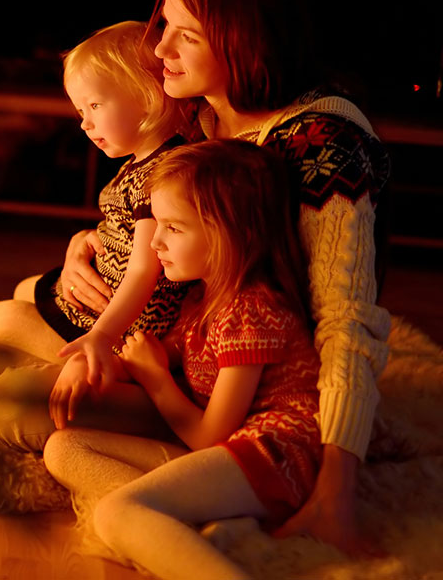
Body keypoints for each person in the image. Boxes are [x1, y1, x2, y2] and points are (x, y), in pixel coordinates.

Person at [34, 0, 391, 553]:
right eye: (164, 24)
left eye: (185, 36)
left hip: (258, 389)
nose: (160, 49)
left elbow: (346, 320)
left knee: (23, 407)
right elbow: (137, 213)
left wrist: (336, 485)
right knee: (10, 392)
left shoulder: (322, 143)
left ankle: (201, 502)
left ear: (242, 40)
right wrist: (81, 248)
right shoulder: (193, 116)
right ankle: (196, 505)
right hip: (183, 355)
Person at [44, 139, 320, 580]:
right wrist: (96, 361)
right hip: (233, 453)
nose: (153, 241)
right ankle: (193, 518)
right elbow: (156, 354)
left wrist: (156, 380)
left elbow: (210, 436)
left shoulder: (251, 310)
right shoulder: (202, 296)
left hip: (273, 459)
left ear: (233, 233)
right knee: (64, 448)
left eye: (173, 227)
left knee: (115, 514)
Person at [0, 21, 195, 395]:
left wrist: (101, 335)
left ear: (146, 96)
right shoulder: (144, 161)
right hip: (97, 303)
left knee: (11, 318)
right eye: (81, 110)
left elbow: (145, 269)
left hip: (118, 328)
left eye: (95, 105)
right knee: (25, 288)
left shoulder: (165, 174)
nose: (85, 123)